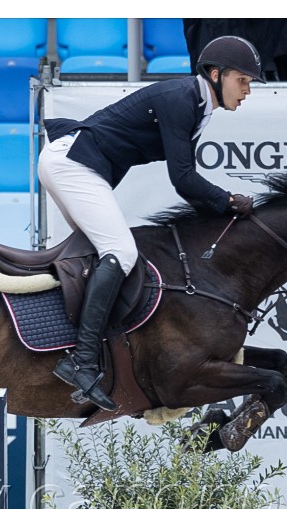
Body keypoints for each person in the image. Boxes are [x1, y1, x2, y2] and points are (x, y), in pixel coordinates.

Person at [38, 36, 264, 411]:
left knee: (99, 256)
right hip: (72, 164)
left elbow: (186, 181)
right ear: (214, 73)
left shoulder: (196, 105)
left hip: (72, 163)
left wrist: (221, 205)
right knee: (121, 251)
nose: (247, 90)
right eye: (243, 80)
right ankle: (81, 360)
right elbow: (184, 178)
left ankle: (86, 353)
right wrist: (227, 201)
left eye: (250, 83)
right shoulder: (182, 99)